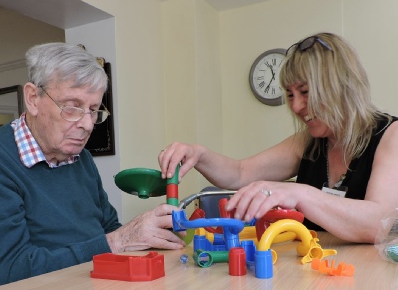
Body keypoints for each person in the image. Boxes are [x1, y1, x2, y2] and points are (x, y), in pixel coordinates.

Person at [159, 32, 398, 244]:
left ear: (340, 86)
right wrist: (200, 154)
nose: (296, 106)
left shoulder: (391, 135)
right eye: (290, 94)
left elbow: (378, 224)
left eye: (305, 92)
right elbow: (240, 173)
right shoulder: (310, 142)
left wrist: (301, 193)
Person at [0, 42, 185, 290]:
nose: (87, 124)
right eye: (72, 107)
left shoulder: (81, 158)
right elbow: (12, 271)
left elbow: (108, 228)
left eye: (93, 110)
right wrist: (118, 241)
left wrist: (147, 237)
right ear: (33, 98)